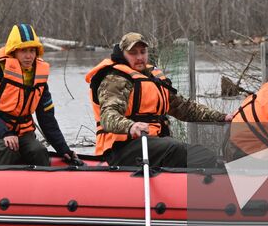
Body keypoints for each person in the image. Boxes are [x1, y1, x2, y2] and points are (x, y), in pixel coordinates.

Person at [86, 32, 229, 169]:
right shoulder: (115, 79)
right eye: (133, 53)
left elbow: (185, 108)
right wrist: (131, 126)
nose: (139, 57)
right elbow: (108, 116)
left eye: (143, 52)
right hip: (121, 148)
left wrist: (222, 117)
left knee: (204, 155)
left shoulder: (153, 78)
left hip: (154, 144)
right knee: (176, 148)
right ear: (122, 54)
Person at [0, 23, 78, 167]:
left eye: (32, 51)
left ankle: (41, 187)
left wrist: (63, 149)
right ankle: (0, 185)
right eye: (23, 51)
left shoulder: (39, 77)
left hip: (20, 133)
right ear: (14, 52)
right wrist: (6, 133)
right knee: (9, 150)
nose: (29, 56)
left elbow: (47, 119)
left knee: (39, 152)